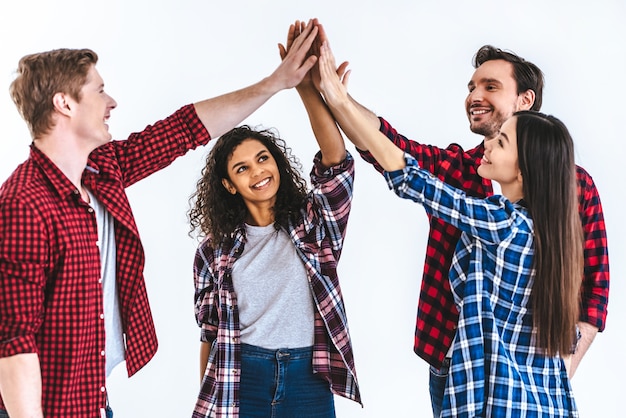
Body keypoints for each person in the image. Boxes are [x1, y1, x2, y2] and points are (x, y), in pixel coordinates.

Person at [0, 20, 320, 418]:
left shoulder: (102, 170)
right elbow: (14, 345)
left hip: (90, 400)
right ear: (64, 104)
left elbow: (184, 129)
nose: (111, 101)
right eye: (99, 91)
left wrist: (275, 82)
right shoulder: (23, 203)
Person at [312, 22, 609, 417]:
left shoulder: (508, 219)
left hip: (514, 388)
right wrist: (337, 101)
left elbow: (408, 174)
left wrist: (555, 370)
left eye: (490, 86)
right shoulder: (472, 173)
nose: (474, 96)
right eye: (471, 87)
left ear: (525, 100)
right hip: (464, 369)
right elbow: (388, 147)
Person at [187, 21, 360, 418]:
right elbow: (210, 336)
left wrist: (302, 86)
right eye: (242, 168)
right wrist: (207, 404)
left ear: (277, 163)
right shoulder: (213, 250)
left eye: (263, 159)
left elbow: (337, 161)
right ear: (229, 185)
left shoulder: (313, 225)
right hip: (241, 376)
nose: (258, 172)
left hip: (308, 378)